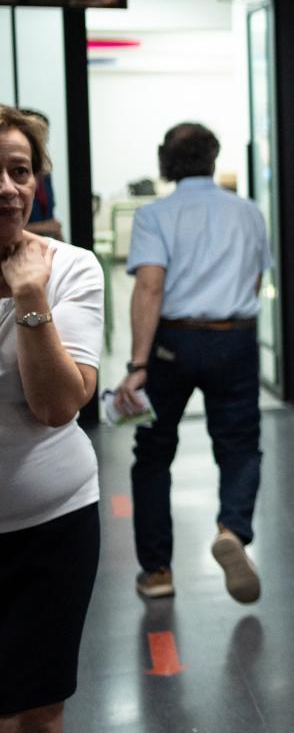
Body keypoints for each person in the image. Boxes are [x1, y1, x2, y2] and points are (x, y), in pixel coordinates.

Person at [118, 123, 270, 604]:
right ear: (213, 157)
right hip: (236, 339)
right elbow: (253, 282)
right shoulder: (249, 213)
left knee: (155, 453)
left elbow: (150, 287)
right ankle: (233, 528)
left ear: (166, 161)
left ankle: (158, 570)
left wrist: (137, 363)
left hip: (173, 343)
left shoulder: (155, 215)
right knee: (240, 444)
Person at [0, 107, 102, 733]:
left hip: (53, 525)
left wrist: (32, 298)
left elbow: (59, 406)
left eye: (20, 171)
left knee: (37, 709)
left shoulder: (70, 268)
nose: (8, 188)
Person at [17, 110, 61, 241]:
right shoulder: (10, 178)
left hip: (46, 246)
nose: (41, 146)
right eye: (37, 139)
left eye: (44, 139)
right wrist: (44, 227)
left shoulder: (45, 174)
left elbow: (51, 220)